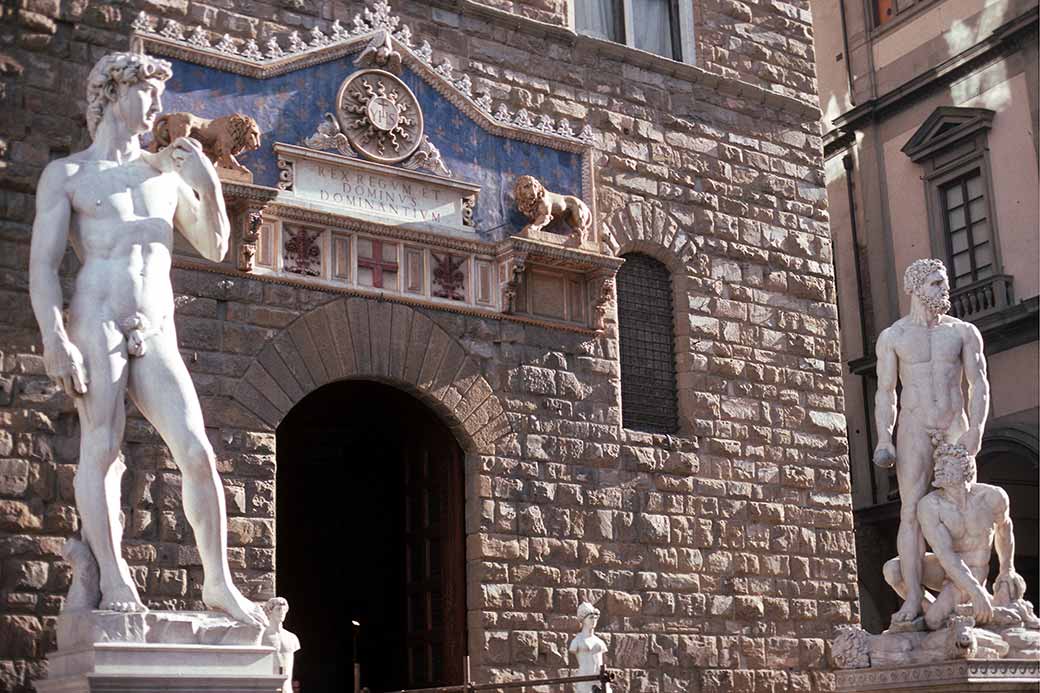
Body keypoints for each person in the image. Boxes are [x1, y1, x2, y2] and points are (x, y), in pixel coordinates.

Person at [29, 51, 265, 626]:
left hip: (157, 326)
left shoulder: (164, 173)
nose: (159, 108)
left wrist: (206, 182)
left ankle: (219, 585)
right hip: (96, 317)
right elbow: (42, 265)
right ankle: (112, 576)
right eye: (149, 94)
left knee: (197, 451)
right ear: (112, 94)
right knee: (102, 447)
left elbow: (214, 245)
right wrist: (54, 337)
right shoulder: (69, 175)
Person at [873, 258, 989, 626]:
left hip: (954, 424)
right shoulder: (894, 336)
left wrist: (977, 430)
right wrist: (883, 439)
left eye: (945, 283)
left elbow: (979, 384)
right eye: (937, 284)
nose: (945, 290)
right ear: (916, 287)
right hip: (914, 427)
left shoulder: (963, 331)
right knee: (910, 513)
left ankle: (967, 594)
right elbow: (886, 393)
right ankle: (912, 602)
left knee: (963, 507)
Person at [882, 441, 1034, 631]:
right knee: (892, 570)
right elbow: (945, 554)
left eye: (945, 464)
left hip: (975, 569)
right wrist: (976, 592)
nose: (938, 468)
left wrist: (1007, 569)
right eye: (937, 464)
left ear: (964, 468)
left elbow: (1005, 529)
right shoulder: (930, 506)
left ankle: (981, 612)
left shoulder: (992, 497)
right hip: (945, 566)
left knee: (934, 621)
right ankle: (935, 610)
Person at [569, 602, 608, 693]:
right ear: (583, 620)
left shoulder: (599, 641)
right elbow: (573, 649)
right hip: (584, 679)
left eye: (595, 618)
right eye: (590, 618)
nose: (594, 620)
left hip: (599, 679)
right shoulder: (577, 641)